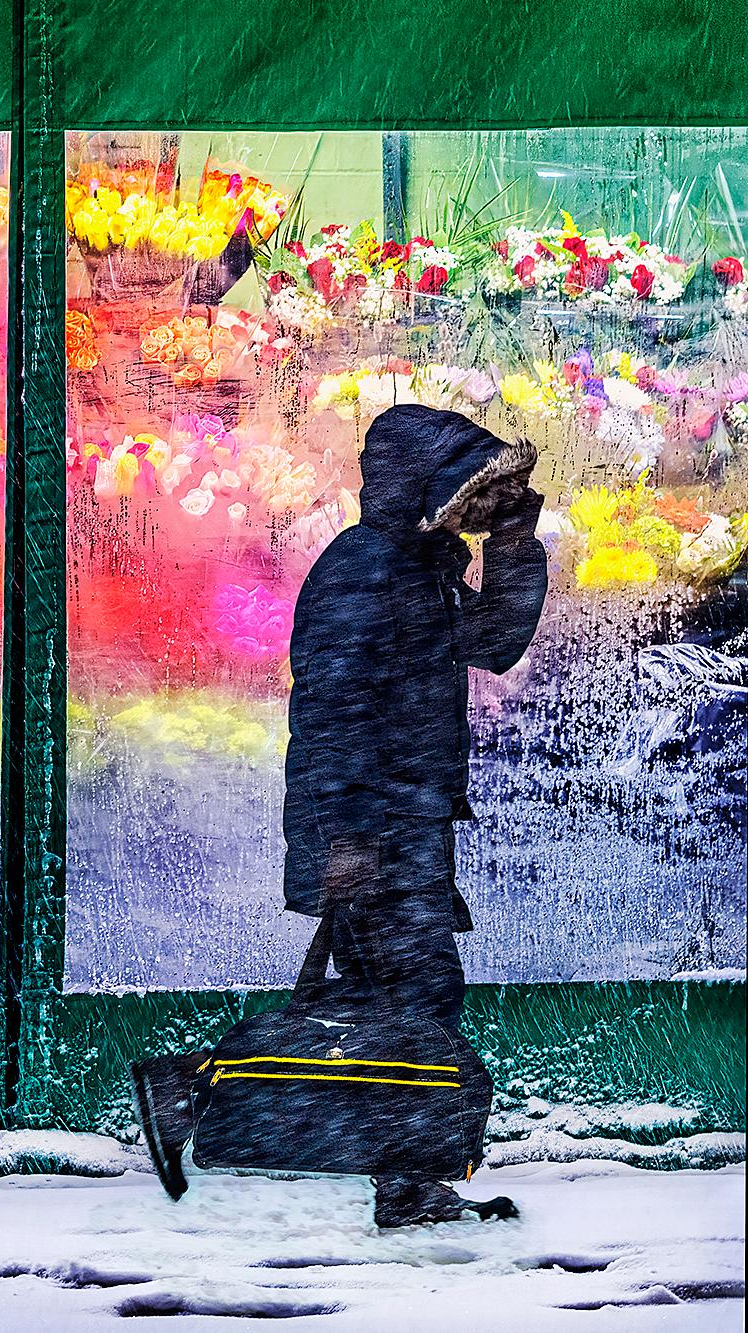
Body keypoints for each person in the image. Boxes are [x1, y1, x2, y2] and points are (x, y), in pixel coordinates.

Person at [133, 404, 549, 1229]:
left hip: (402, 824)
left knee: (377, 1010)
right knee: (421, 994)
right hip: (375, 832)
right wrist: (350, 842)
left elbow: (495, 641)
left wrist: (511, 545)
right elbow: (335, 713)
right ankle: (212, 1096)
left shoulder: (412, 568)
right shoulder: (366, 570)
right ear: (419, 488)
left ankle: (386, 1170)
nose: (476, 507)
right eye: (467, 492)